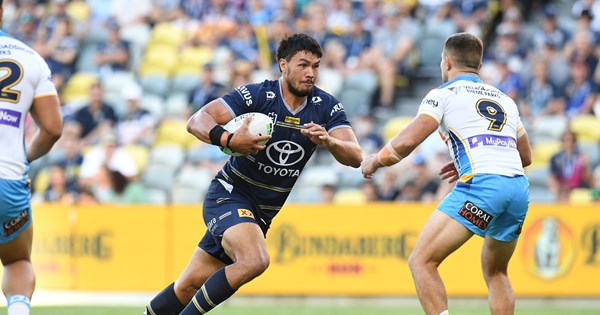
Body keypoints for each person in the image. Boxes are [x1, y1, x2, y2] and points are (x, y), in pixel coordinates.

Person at [143, 32, 362, 315]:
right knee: (254, 260)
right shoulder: (258, 95)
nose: (310, 73)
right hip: (230, 195)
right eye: (303, 65)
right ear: (283, 65)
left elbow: (355, 156)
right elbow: (197, 121)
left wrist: (330, 142)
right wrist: (229, 140)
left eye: (316, 66)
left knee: (188, 286)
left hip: (260, 214)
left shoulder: (326, 106)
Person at [361, 32, 532, 315]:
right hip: (517, 189)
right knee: (497, 272)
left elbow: (406, 142)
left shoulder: (443, 94)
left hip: (482, 185)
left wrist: (375, 161)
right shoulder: (505, 100)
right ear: (478, 65)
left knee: (421, 261)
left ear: (447, 62)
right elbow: (524, 156)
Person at [0, 0, 63, 313]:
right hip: (8, 179)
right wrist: (24, 158)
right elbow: (52, 129)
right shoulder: (29, 57)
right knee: (16, 260)